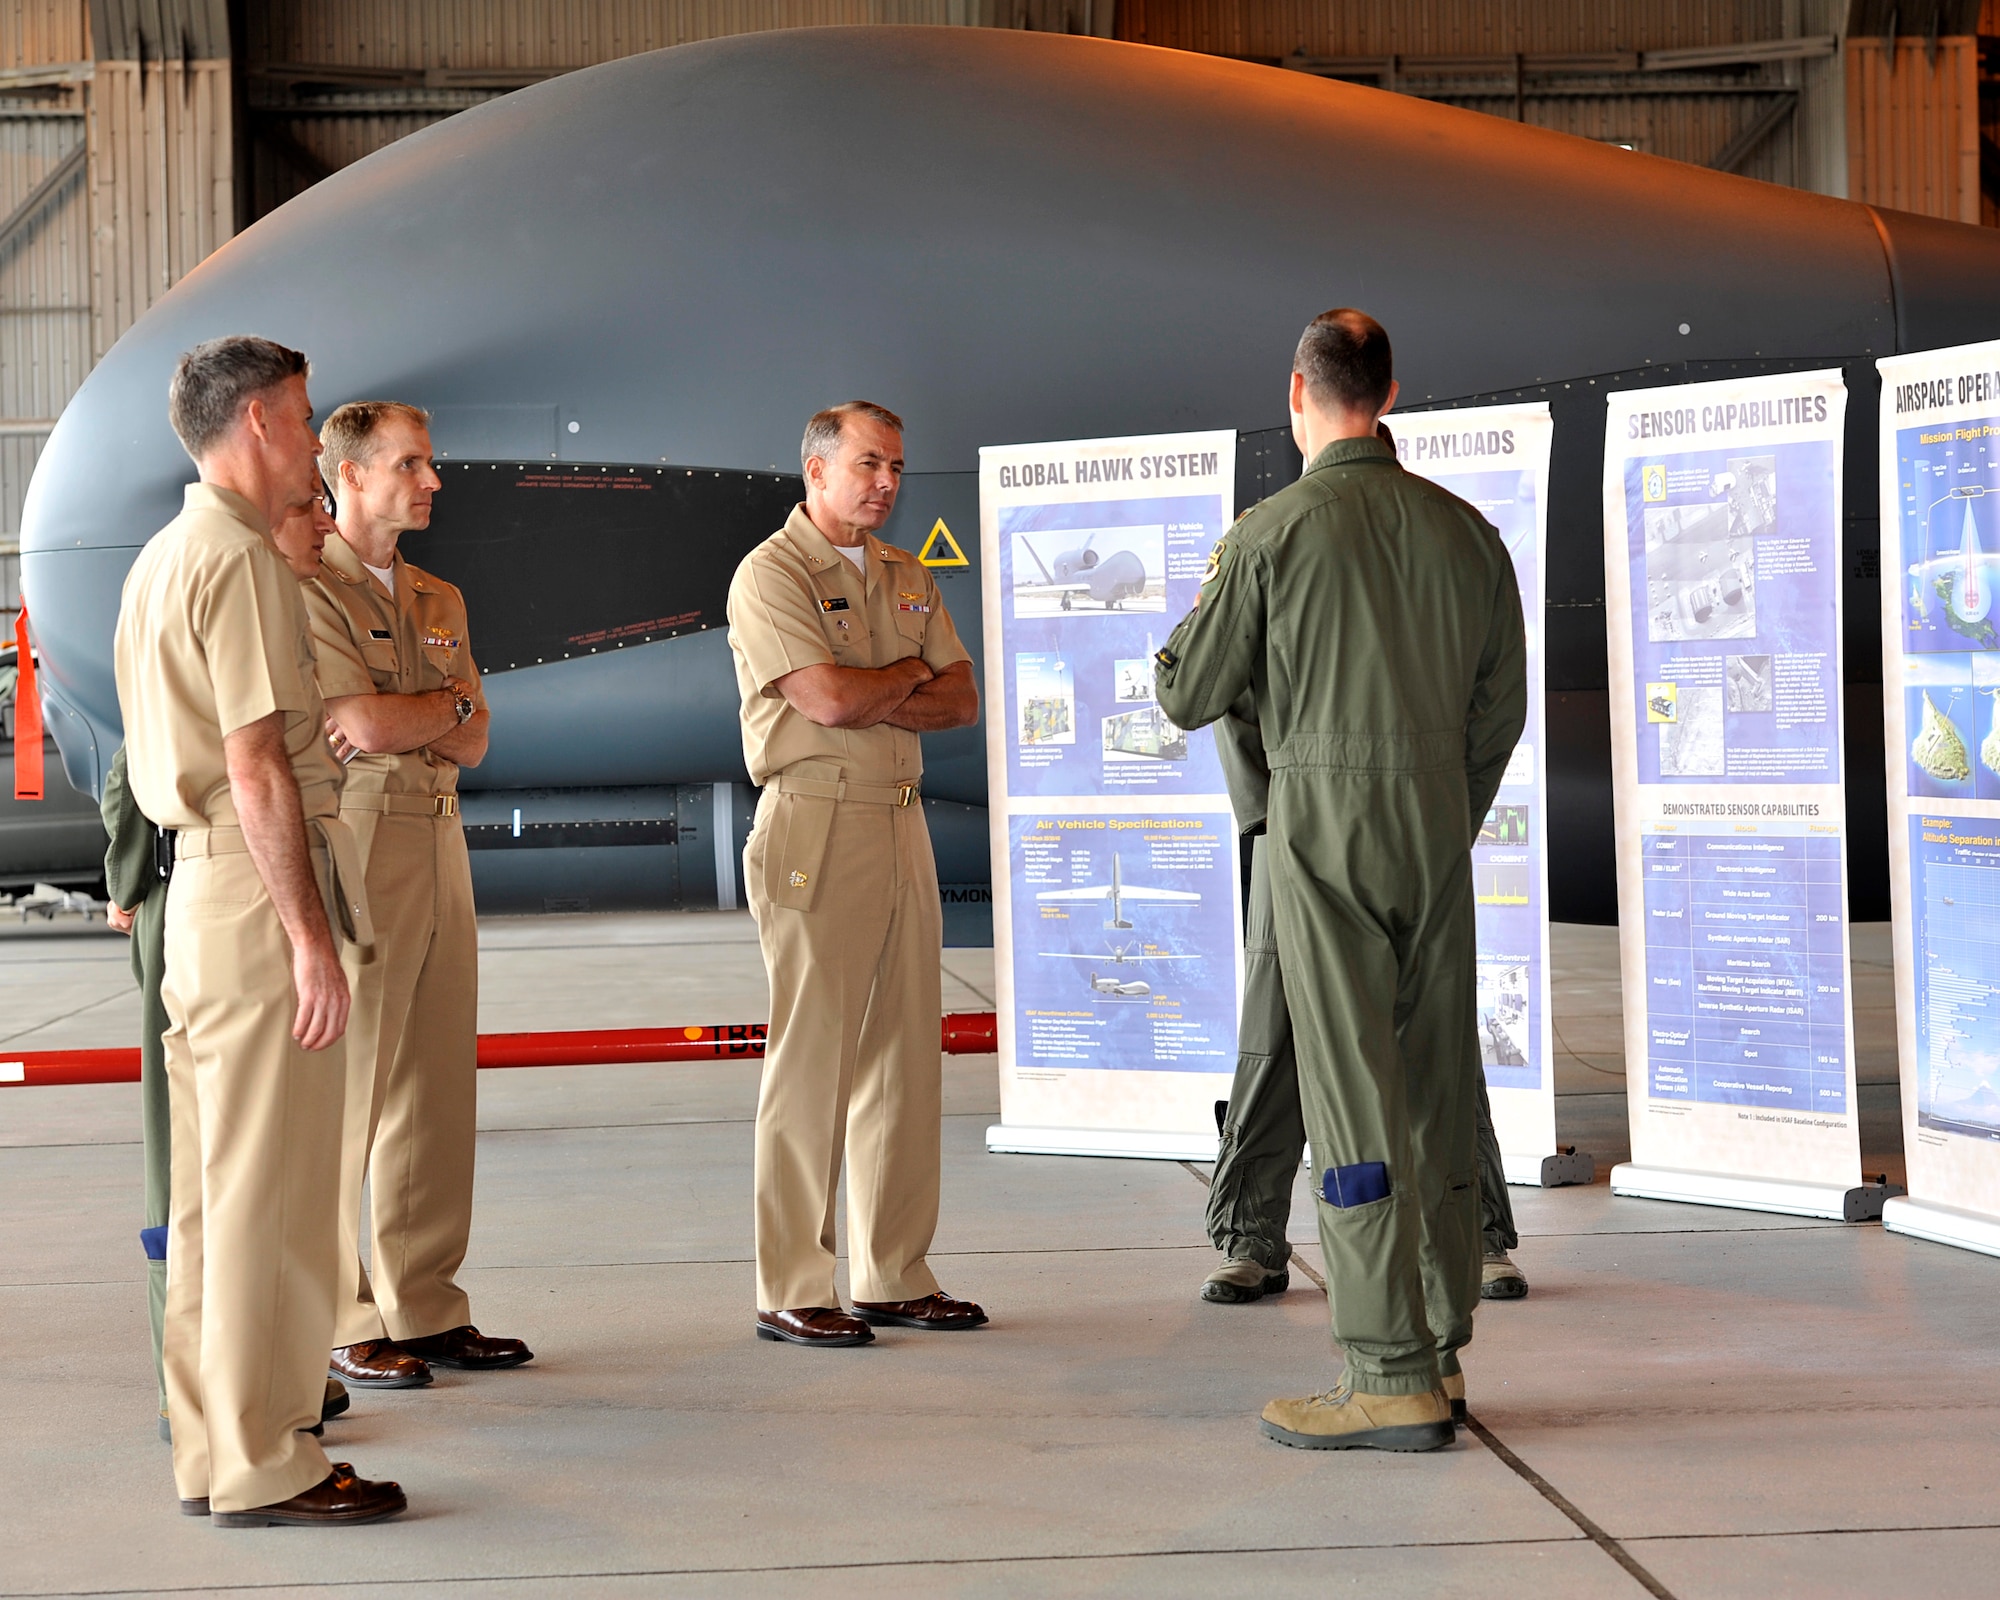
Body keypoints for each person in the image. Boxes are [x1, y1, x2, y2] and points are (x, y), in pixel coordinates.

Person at [1156, 310, 1526, 1453]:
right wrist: (1440, 810)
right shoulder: (1466, 533)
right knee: (1432, 1083)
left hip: (1321, 832)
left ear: (1297, 391)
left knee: (1351, 1087)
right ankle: (1442, 1339)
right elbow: (1495, 711)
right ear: (1390, 391)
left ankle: (1384, 1370)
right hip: (1434, 826)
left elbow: (1186, 691)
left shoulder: (1270, 532)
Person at [114, 334, 404, 1524]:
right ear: (259, 428)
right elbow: (257, 767)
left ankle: (213, 1450)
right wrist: (307, 937)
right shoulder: (234, 560)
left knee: (213, 1195)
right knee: (270, 1197)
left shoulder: (165, 553)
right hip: (249, 890)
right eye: (303, 415)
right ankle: (266, 1461)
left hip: (205, 897)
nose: (313, 435)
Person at [725, 400, 984, 1347]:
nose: (887, 482)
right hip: (817, 824)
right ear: (818, 468)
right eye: (870, 463)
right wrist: (903, 681)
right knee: (814, 1057)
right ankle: (793, 1282)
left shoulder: (906, 575)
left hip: (899, 819)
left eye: (898, 468)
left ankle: (892, 1272)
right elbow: (827, 700)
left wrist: (898, 689)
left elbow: (961, 699)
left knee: (907, 1057)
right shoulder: (769, 574)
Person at [305, 401, 529, 1389]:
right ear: (348, 475)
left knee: (435, 1086)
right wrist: (440, 709)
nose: (432, 481)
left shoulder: (440, 597)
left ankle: (425, 1303)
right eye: (410, 464)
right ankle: (344, 1315)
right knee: (352, 1090)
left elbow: (473, 739)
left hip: (439, 838)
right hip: (361, 846)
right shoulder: (309, 585)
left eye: (429, 463)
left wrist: (424, 716)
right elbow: (354, 719)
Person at [102, 741, 354, 1445]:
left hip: (235, 882)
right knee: (190, 1151)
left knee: (254, 1147)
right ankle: (187, 1390)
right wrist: (127, 886)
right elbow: (132, 765)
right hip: (201, 883)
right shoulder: (213, 629)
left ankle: (256, 1372)